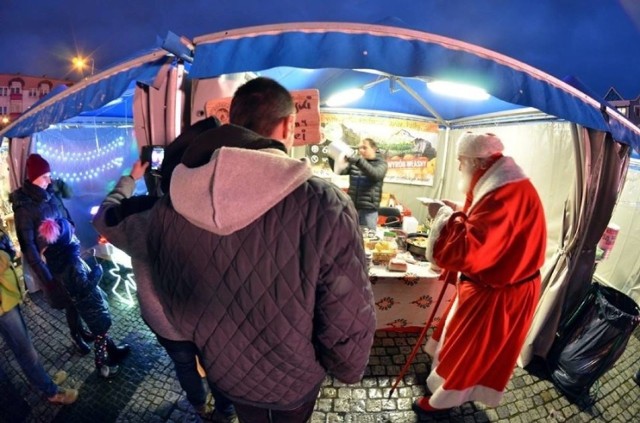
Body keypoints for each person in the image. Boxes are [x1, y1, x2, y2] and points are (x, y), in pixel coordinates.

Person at [147, 77, 376, 422]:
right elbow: (347, 312)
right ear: (287, 125)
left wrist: (207, 345)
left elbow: (170, 293)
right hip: (293, 380)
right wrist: (346, 368)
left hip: (226, 372)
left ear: (232, 120)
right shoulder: (324, 204)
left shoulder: (171, 203)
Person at [93, 139, 237, 421]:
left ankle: (198, 405)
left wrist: (130, 179)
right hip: (211, 317)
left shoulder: (143, 215)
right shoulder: (220, 210)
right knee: (218, 365)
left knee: (184, 365)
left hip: (165, 320)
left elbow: (103, 216)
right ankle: (225, 410)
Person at [413, 132, 546, 415]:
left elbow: (470, 251)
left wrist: (443, 217)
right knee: (461, 342)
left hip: (498, 292)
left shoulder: (503, 195)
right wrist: (457, 211)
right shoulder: (500, 184)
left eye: (462, 162)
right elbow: (487, 227)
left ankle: (442, 402)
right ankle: (443, 380)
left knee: (471, 351)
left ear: (477, 161)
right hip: (495, 284)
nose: (460, 168)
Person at [9, 153, 94, 355]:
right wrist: (47, 280)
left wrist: (71, 226)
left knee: (78, 294)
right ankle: (76, 336)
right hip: (53, 263)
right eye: (45, 176)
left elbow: (64, 212)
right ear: (33, 177)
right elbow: (29, 248)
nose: (50, 179)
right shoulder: (25, 209)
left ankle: (81, 329)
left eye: (50, 175)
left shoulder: (51, 193)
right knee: (70, 300)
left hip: (68, 252)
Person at [38, 217, 130, 378]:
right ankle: (101, 364)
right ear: (66, 238)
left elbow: (73, 280)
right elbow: (85, 287)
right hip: (91, 304)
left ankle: (113, 350)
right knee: (101, 331)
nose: (74, 233)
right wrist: (97, 272)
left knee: (100, 331)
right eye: (71, 232)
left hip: (81, 304)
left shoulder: (56, 256)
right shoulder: (71, 261)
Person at [0, 230, 78, 405]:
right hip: (3, 307)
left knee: (23, 347)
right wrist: (4, 252)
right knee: (25, 350)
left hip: (7, 300)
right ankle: (51, 391)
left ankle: (43, 381)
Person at [332, 137, 388, 231]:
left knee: (368, 239)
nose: (361, 150)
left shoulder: (381, 163)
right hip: (352, 207)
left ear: (374, 148)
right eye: (359, 148)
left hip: (368, 211)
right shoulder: (357, 163)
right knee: (349, 235)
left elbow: (375, 175)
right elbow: (340, 171)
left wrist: (358, 161)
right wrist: (333, 157)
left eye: (364, 147)